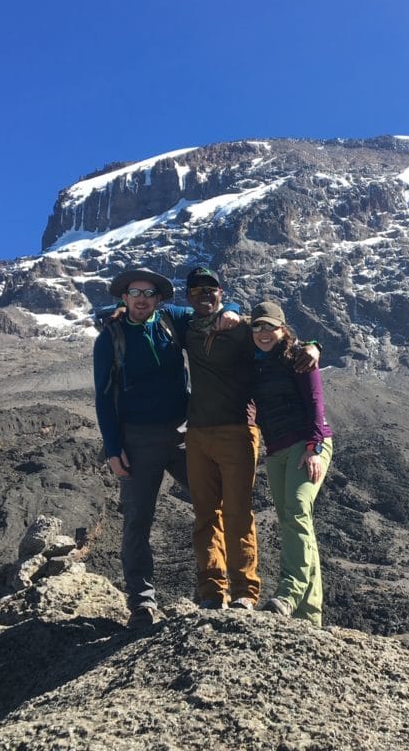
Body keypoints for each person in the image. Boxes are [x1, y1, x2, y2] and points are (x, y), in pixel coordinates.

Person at [92, 267, 238, 629]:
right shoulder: (109, 337)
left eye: (149, 292)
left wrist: (233, 306)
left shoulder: (174, 319)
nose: (141, 298)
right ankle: (141, 604)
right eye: (134, 292)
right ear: (124, 298)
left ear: (159, 299)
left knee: (211, 504)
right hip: (136, 441)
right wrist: (113, 447)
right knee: (137, 521)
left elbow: (213, 312)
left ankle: (214, 591)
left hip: (184, 434)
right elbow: (103, 397)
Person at [182, 268, 319, 611]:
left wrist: (315, 347)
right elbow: (143, 311)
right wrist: (117, 312)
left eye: (210, 289)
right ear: (187, 296)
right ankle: (212, 592)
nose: (204, 294)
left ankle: (245, 591)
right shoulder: (183, 324)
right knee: (204, 514)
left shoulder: (243, 327)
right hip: (197, 433)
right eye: (196, 289)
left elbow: (279, 338)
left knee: (239, 513)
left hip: (239, 430)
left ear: (221, 292)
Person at [249, 301, 333, 627]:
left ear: (283, 329)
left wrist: (314, 448)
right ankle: (309, 616)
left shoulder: (299, 357)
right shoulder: (254, 360)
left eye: (270, 326)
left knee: (297, 509)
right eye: (257, 326)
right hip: (276, 450)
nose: (263, 332)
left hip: (307, 444)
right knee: (293, 521)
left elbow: (316, 403)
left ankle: (289, 592)